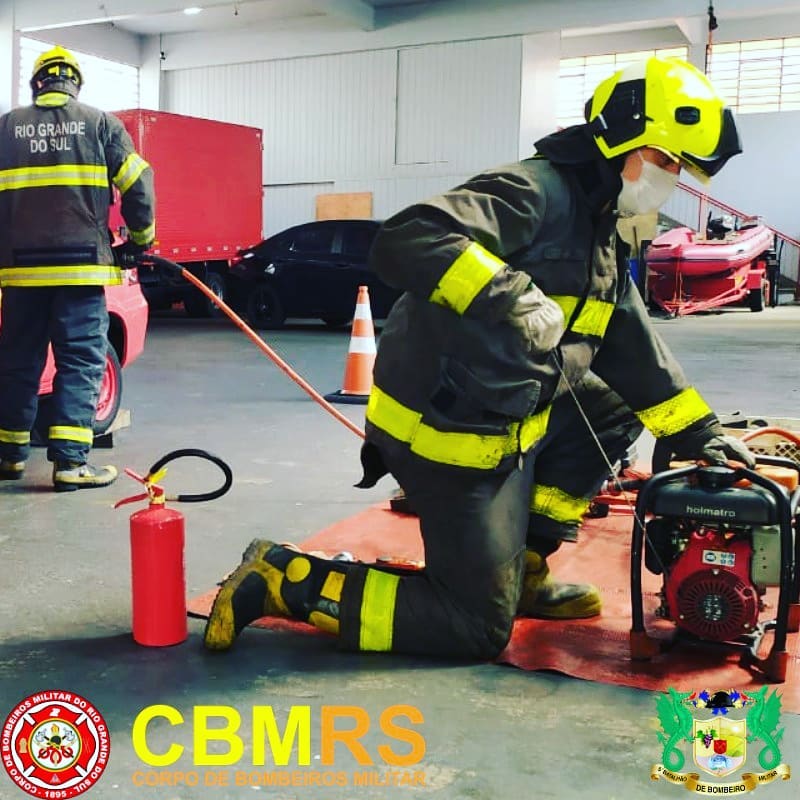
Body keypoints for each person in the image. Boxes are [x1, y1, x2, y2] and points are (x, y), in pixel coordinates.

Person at [203, 57, 755, 657]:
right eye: (666, 160)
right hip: (449, 431)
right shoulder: (534, 191)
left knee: (615, 406)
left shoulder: (602, 224)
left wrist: (700, 432)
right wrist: (508, 296)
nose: (670, 179)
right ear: (622, 138)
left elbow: (627, 342)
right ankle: (286, 580)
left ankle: (524, 570)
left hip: (511, 407)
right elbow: (409, 237)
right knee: (470, 628)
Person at [0, 46, 155, 491]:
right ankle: (70, 464)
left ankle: (9, 457)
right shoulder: (100, 124)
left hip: (20, 274)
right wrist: (140, 242)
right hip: (81, 270)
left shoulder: (7, 128)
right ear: (75, 83)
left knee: (17, 361)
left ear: (37, 83)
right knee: (81, 361)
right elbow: (138, 183)